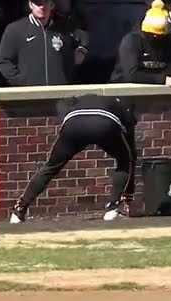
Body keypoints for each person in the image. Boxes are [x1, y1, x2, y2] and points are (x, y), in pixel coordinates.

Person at [9, 93, 137, 223]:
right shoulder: (120, 105)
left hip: (74, 125)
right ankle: (112, 208)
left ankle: (19, 209)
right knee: (124, 160)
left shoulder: (76, 101)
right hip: (104, 125)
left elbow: (61, 107)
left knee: (51, 166)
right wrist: (128, 194)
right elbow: (130, 144)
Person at [0, 0, 84, 87]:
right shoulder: (15, 29)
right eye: (37, 3)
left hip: (58, 92)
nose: (42, 6)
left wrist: (82, 50)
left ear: (52, 5)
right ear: (30, 5)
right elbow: (4, 61)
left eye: (46, 2)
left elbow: (81, 39)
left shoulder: (63, 29)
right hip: (29, 93)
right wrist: (21, 82)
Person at [111, 0, 171, 92]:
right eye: (153, 35)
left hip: (156, 90)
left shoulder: (170, 41)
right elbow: (131, 74)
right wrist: (162, 79)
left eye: (160, 35)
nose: (156, 37)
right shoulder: (132, 41)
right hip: (124, 91)